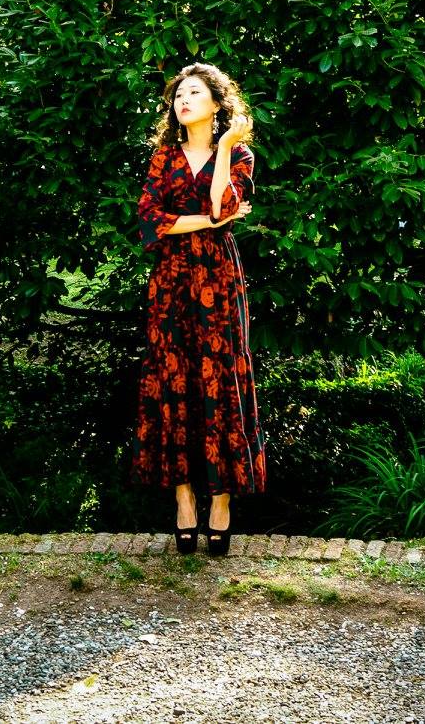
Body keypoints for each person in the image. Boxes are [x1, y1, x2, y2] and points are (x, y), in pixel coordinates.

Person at [131, 62, 267, 556]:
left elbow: (220, 206)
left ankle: (222, 500)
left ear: (216, 103)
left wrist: (225, 147)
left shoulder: (240, 154)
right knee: (174, 379)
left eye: (193, 93)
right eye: (178, 95)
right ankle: (184, 499)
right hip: (171, 282)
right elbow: (150, 220)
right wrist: (207, 222)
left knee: (220, 380)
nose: (183, 101)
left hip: (218, 281)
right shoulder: (164, 157)